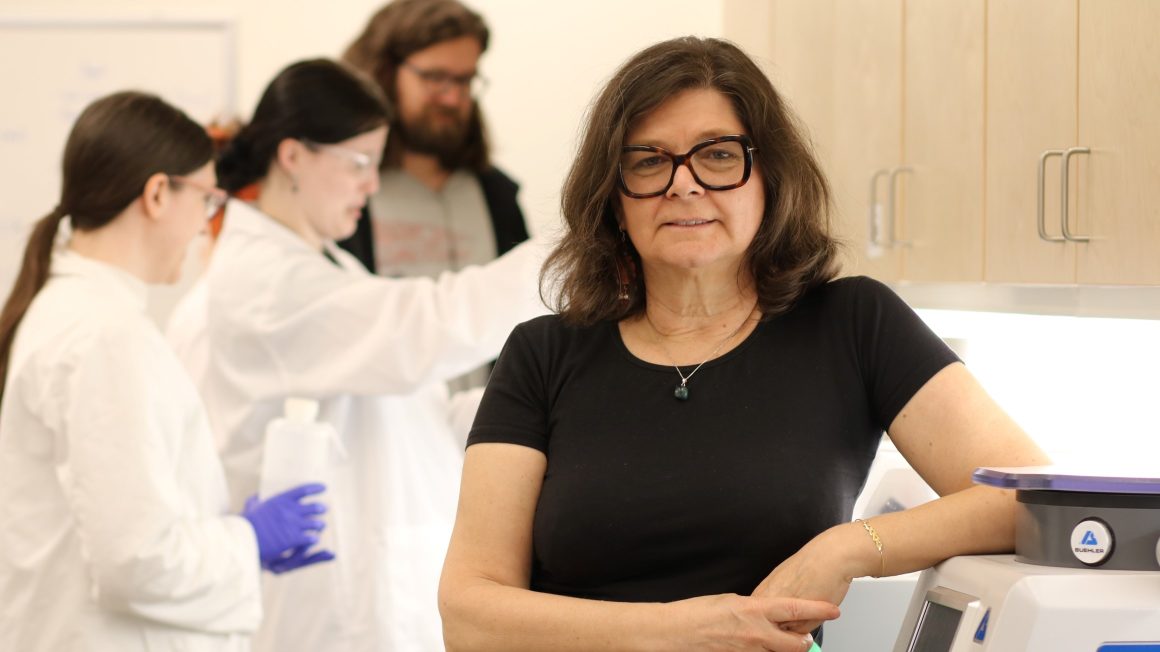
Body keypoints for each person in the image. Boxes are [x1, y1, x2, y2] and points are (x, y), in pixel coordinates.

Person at [437, 36, 1052, 651]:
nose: (684, 185)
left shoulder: (854, 323)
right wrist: (679, 632)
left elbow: (1030, 498)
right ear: (614, 200)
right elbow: (469, 616)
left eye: (718, 154)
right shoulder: (543, 355)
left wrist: (850, 547)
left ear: (770, 178)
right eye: (648, 161)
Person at [183, 59, 547, 652]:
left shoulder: (329, 266)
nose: (372, 186)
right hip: (324, 614)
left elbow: (412, 409)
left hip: (375, 598)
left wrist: (527, 409)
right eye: (359, 164)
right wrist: (570, 255)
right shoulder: (264, 285)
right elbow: (420, 331)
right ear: (294, 155)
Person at [0, 91, 333, 652]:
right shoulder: (104, 336)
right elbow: (136, 560)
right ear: (157, 193)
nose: (206, 226)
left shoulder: (78, 314)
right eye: (206, 201)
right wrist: (247, 540)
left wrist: (226, 535)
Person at [341, 0, 531, 392]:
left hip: (489, 434)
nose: (452, 97)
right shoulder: (346, 198)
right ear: (384, 72)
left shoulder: (497, 195)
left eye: (464, 81)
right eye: (435, 78)